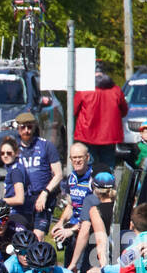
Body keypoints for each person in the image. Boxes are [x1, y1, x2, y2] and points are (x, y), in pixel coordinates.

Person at [12, 112, 63, 240]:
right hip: (22, 199)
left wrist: (45, 193)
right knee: (20, 237)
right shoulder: (13, 148)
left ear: (34, 127)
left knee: (38, 237)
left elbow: (58, 174)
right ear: (17, 128)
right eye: (23, 127)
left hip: (42, 198)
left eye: (30, 127)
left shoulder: (46, 145)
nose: (27, 131)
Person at [72, 64, 128, 174]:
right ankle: (107, 188)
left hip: (87, 134)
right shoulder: (116, 90)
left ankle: (89, 188)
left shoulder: (84, 89)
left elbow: (73, 110)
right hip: (109, 135)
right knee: (108, 165)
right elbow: (124, 111)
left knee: (89, 165)